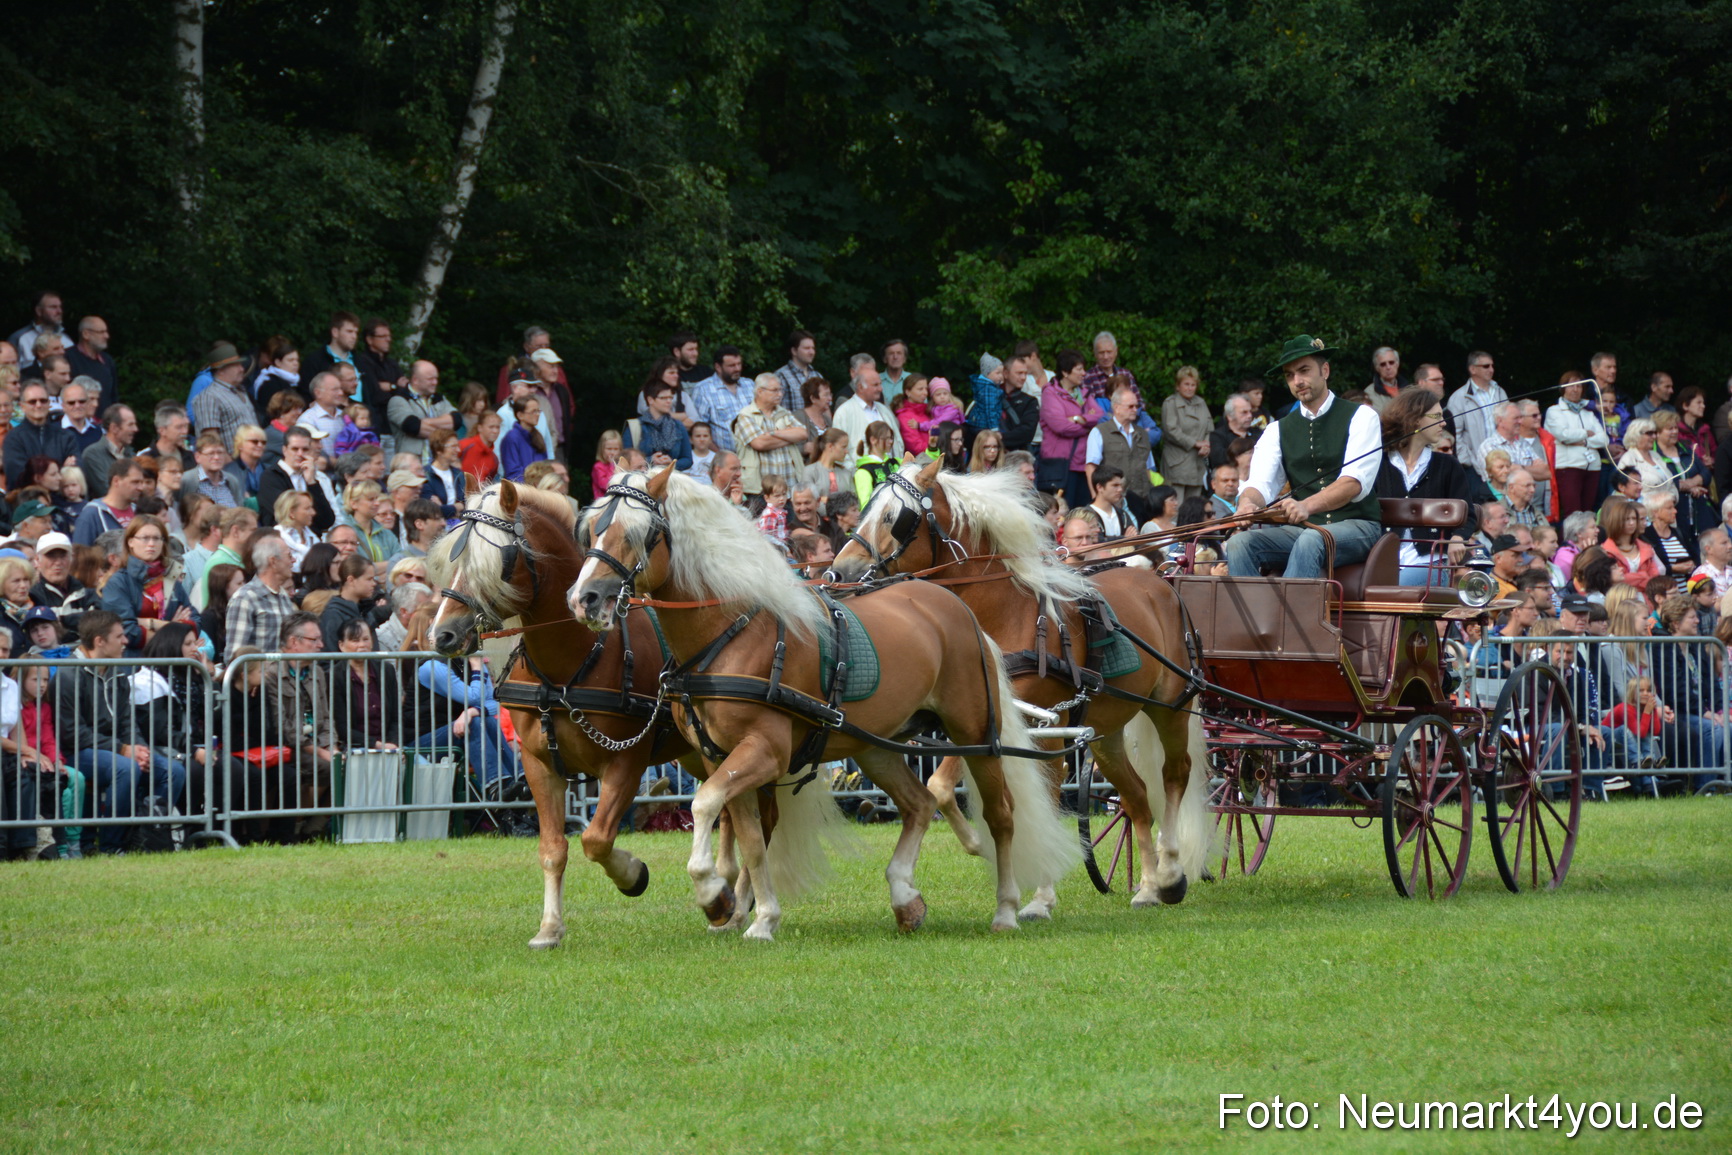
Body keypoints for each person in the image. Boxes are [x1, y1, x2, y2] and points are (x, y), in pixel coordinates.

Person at [1228, 336, 1383, 580]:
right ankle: (1255, 618)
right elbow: (1261, 483)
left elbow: (1353, 482)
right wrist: (1247, 504)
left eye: (1303, 371)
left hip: (1358, 526)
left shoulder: (1362, 417)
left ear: (1325, 370)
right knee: (1241, 544)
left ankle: (1290, 618)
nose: (1297, 381)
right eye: (1289, 375)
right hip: (1304, 532)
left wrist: (1306, 506)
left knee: (1313, 539)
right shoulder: (1277, 429)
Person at [55, 611, 187, 853]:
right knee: (125, 768)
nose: (126, 641)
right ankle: (111, 846)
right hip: (76, 752)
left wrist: (139, 749)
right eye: (120, 636)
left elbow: (127, 721)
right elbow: (72, 734)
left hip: (113, 749)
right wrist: (123, 749)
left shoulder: (118, 672)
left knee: (173, 771)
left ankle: (146, 837)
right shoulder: (68, 675)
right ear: (99, 641)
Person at [1374, 393, 1482, 586]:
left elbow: (1469, 514)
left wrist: (1458, 538)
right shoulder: (1378, 464)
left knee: (1394, 585)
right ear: (1415, 420)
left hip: (1431, 564)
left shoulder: (1448, 465)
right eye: (1437, 417)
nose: (1443, 423)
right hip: (1382, 561)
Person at [100, 515, 194, 655]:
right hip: (134, 666)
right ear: (130, 542)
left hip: (170, 665)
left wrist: (148, 623)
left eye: (156, 538)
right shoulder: (118, 583)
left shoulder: (170, 579)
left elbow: (194, 619)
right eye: (145, 538)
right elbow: (126, 630)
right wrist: (171, 629)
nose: (151, 544)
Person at [1086, 384, 1156, 523]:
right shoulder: (1099, 431)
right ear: (1116, 407)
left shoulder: (1142, 434)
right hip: (1113, 500)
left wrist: (1152, 495)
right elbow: (1091, 467)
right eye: (1130, 406)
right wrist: (1096, 498)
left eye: (1136, 406)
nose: (1135, 410)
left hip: (1141, 499)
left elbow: (1148, 468)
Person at [1545, 375, 1610, 522]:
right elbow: (1564, 435)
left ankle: (1587, 544)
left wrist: (1583, 442)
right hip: (1569, 465)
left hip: (1592, 467)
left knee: (1587, 513)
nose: (1575, 389)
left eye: (1579, 386)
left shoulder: (1588, 412)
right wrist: (1586, 433)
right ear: (1563, 388)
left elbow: (1603, 439)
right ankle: (1569, 544)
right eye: (1571, 385)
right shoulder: (1554, 411)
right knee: (1572, 514)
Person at [223, 537, 299, 660]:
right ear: (273, 561)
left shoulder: (284, 596)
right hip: (259, 677)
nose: (294, 560)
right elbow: (234, 656)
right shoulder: (245, 599)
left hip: (283, 677)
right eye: (289, 556)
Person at [1038, 351, 1097, 507]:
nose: (1083, 373)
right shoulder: (1050, 393)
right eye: (1079, 369)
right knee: (1062, 511)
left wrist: (1077, 419)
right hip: (1061, 465)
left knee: (1083, 512)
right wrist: (1088, 426)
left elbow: (1100, 417)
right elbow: (1061, 426)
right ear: (1065, 372)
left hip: (1083, 464)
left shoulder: (1084, 393)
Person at [734, 374, 807, 496]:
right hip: (761, 491)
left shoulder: (783, 412)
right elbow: (760, 443)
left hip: (789, 488)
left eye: (780, 390)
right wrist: (790, 437)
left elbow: (803, 433)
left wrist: (774, 433)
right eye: (775, 390)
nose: (780, 394)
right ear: (760, 391)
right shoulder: (745, 415)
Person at [256, 426, 337, 534]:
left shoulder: (313, 477)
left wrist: (311, 483)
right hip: (281, 540)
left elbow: (327, 521)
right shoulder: (270, 477)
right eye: (295, 449)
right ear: (284, 450)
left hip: (312, 540)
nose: (300, 454)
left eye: (305, 449)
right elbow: (286, 515)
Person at [1445, 351, 1507, 480]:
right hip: (1476, 467)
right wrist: (1467, 461)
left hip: (1503, 463)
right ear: (1472, 369)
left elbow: (1509, 424)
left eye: (1492, 366)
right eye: (1486, 366)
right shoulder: (1459, 397)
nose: (1491, 370)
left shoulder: (1500, 392)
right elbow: (1456, 433)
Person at [4, 381, 76, 490]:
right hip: (27, 502)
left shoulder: (66, 436)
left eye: (43, 400)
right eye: (32, 401)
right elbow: (18, 477)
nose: (38, 405)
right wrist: (62, 470)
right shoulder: (13, 438)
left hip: (64, 501)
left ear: (49, 404)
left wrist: (40, 475)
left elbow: (75, 474)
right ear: (22, 406)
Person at [830, 362, 901, 472]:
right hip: (861, 478)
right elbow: (838, 448)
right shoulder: (844, 412)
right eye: (875, 385)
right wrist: (855, 474)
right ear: (860, 387)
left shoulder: (884, 410)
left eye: (880, 384)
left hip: (891, 477)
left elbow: (898, 443)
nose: (881, 389)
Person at [1158, 366, 1212, 501]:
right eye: (1186, 384)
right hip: (1177, 463)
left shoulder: (1201, 403)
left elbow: (1209, 428)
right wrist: (1195, 443)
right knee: (1175, 507)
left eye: (1193, 385)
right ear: (1178, 386)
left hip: (1197, 463)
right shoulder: (1170, 403)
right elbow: (1171, 430)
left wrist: (1206, 445)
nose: (1190, 388)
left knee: (1194, 508)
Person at [388, 360, 457, 462]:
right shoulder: (398, 400)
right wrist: (443, 429)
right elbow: (413, 426)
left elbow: (456, 420)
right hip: (411, 467)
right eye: (430, 379)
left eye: (436, 378)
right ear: (415, 380)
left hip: (438, 466)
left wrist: (425, 422)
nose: (435, 382)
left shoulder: (439, 398)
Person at [688, 345, 751, 453]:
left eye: (739, 364)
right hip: (723, 459)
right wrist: (720, 456)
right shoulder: (703, 389)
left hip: (754, 456)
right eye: (731, 365)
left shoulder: (750, 385)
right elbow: (699, 429)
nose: (737, 369)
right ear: (718, 367)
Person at [626, 378, 695, 473]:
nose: (669, 401)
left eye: (670, 398)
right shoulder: (635, 426)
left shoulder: (678, 425)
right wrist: (650, 460)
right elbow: (625, 459)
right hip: (641, 481)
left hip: (671, 481)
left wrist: (672, 463)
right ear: (650, 400)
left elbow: (688, 459)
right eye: (663, 398)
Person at [71, 457, 141, 546]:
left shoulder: (138, 512)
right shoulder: (92, 514)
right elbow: (80, 555)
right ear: (116, 481)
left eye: (141, 482)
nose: (140, 487)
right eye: (135, 482)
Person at [1640, 491, 1697, 588]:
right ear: (1655, 512)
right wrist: (1672, 569)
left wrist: (1692, 564)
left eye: (1674, 507)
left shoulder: (1680, 533)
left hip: (1686, 593)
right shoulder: (1645, 536)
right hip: (1664, 593)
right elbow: (1648, 568)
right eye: (1669, 508)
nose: (1675, 511)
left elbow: (1695, 557)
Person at [498, 395, 547, 483]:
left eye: (538, 411)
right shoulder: (512, 438)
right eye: (533, 412)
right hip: (522, 491)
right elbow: (513, 473)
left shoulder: (538, 436)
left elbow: (545, 467)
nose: (538, 415)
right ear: (520, 415)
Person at [852, 422, 899, 506]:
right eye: (887, 438)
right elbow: (865, 505)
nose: (891, 442)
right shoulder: (864, 471)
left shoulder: (895, 462)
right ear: (873, 440)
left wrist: (931, 447)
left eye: (891, 438)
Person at [774, 329, 819, 414]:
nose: (812, 352)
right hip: (791, 426)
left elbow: (826, 407)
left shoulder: (817, 376)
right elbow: (775, 410)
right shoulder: (781, 376)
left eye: (813, 348)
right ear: (794, 351)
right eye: (807, 348)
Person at [1085, 465, 1133, 540]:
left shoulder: (1123, 515)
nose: (1120, 489)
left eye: (1120, 485)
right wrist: (1124, 539)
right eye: (1115, 485)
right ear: (1099, 487)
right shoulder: (1085, 516)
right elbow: (1094, 541)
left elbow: (1134, 540)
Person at [966, 353, 1005, 439]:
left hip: (977, 424)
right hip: (984, 426)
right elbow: (991, 410)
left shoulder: (983, 386)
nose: (1001, 376)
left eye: (1002, 373)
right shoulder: (989, 389)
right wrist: (994, 429)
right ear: (987, 373)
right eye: (997, 373)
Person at [458, 409, 502, 485]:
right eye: (491, 427)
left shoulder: (494, 459)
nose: (495, 431)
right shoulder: (465, 445)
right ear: (480, 428)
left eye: (497, 427)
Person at [894, 375, 934, 456]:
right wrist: (939, 449)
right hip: (920, 463)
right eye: (920, 389)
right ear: (908, 392)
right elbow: (916, 447)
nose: (925, 393)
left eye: (926, 389)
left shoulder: (928, 411)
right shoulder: (904, 416)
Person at [591, 430, 623, 501]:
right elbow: (605, 485)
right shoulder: (598, 466)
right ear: (602, 449)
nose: (612, 452)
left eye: (616, 449)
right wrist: (613, 466)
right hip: (603, 502)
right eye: (609, 449)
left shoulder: (621, 465)